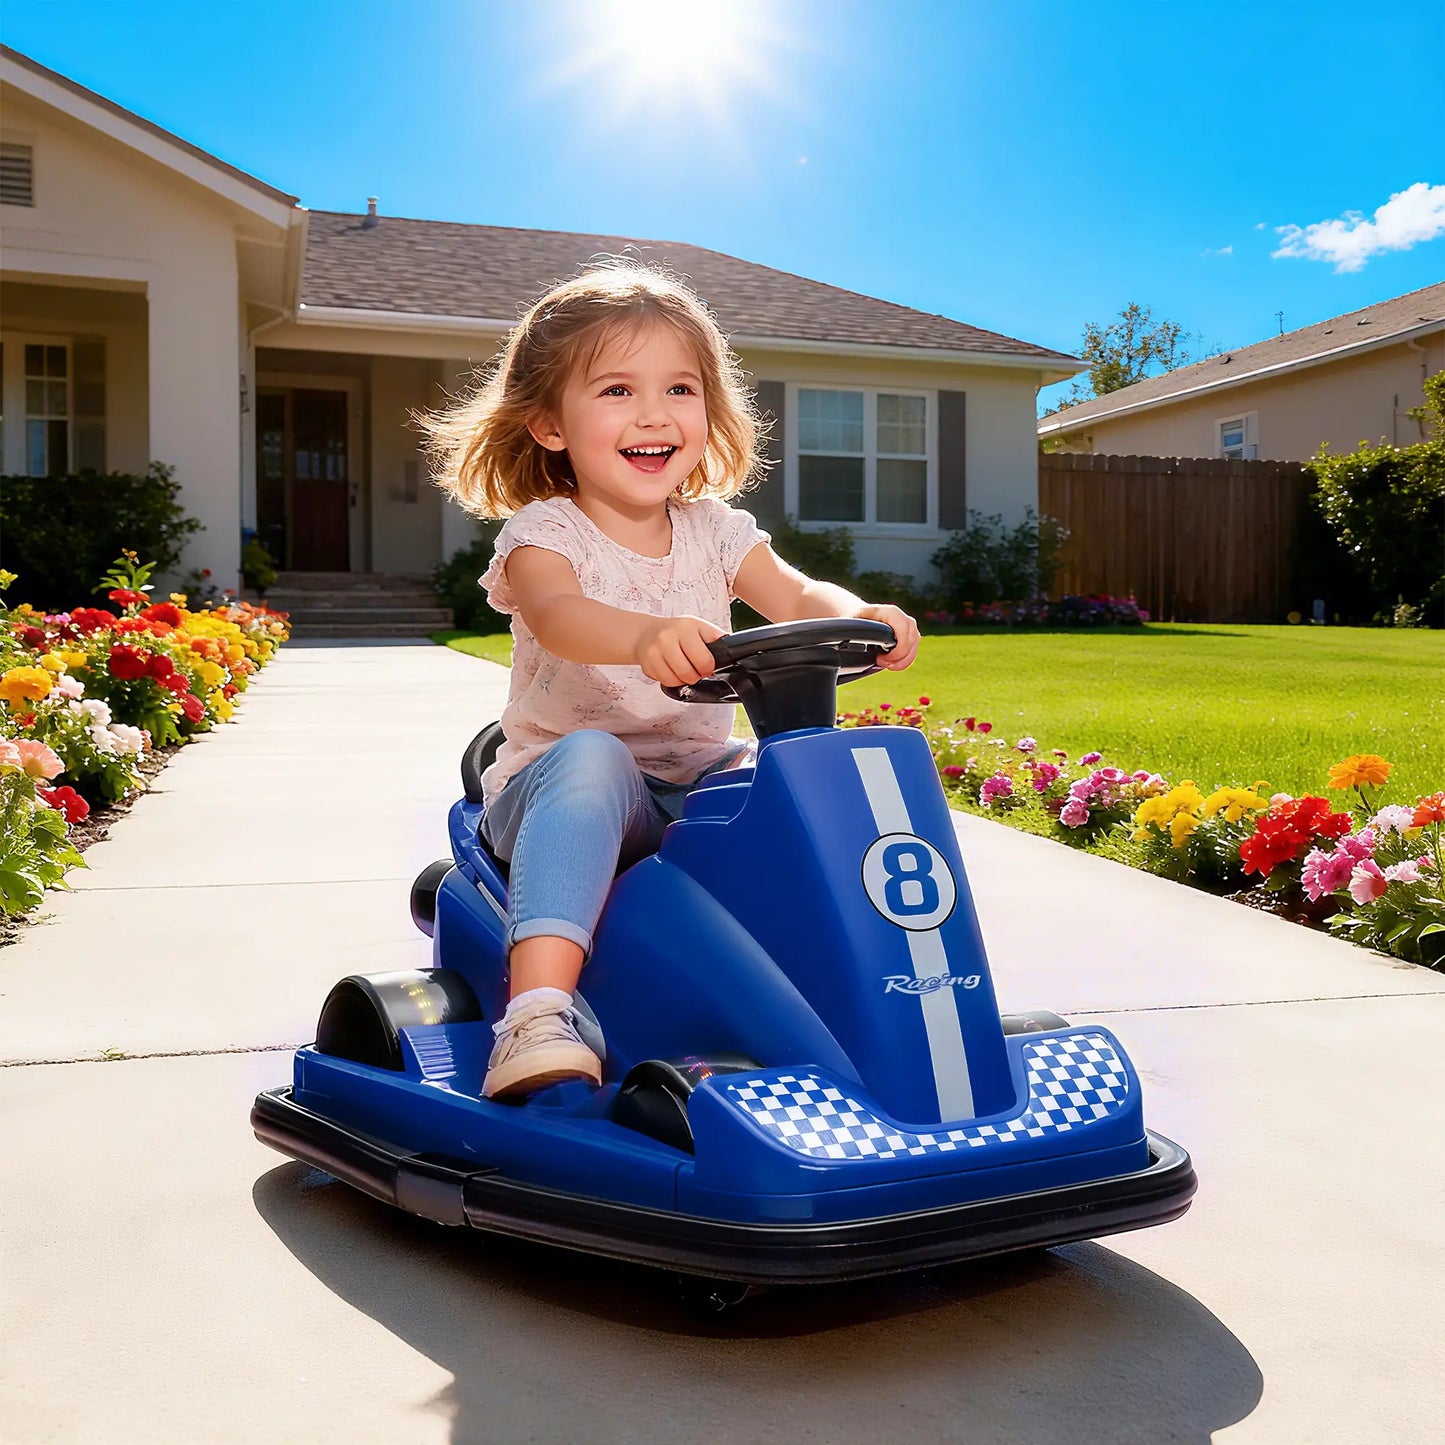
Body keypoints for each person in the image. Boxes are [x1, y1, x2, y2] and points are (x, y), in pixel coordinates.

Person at [419, 260, 918, 1099]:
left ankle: (882, 1001)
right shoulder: (546, 534)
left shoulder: (715, 531)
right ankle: (536, 1014)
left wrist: (858, 609)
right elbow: (559, 614)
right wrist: (643, 634)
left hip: (692, 786)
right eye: (617, 389)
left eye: (679, 389)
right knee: (595, 755)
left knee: (808, 784)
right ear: (548, 424)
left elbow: (797, 594)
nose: (654, 413)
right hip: (557, 790)